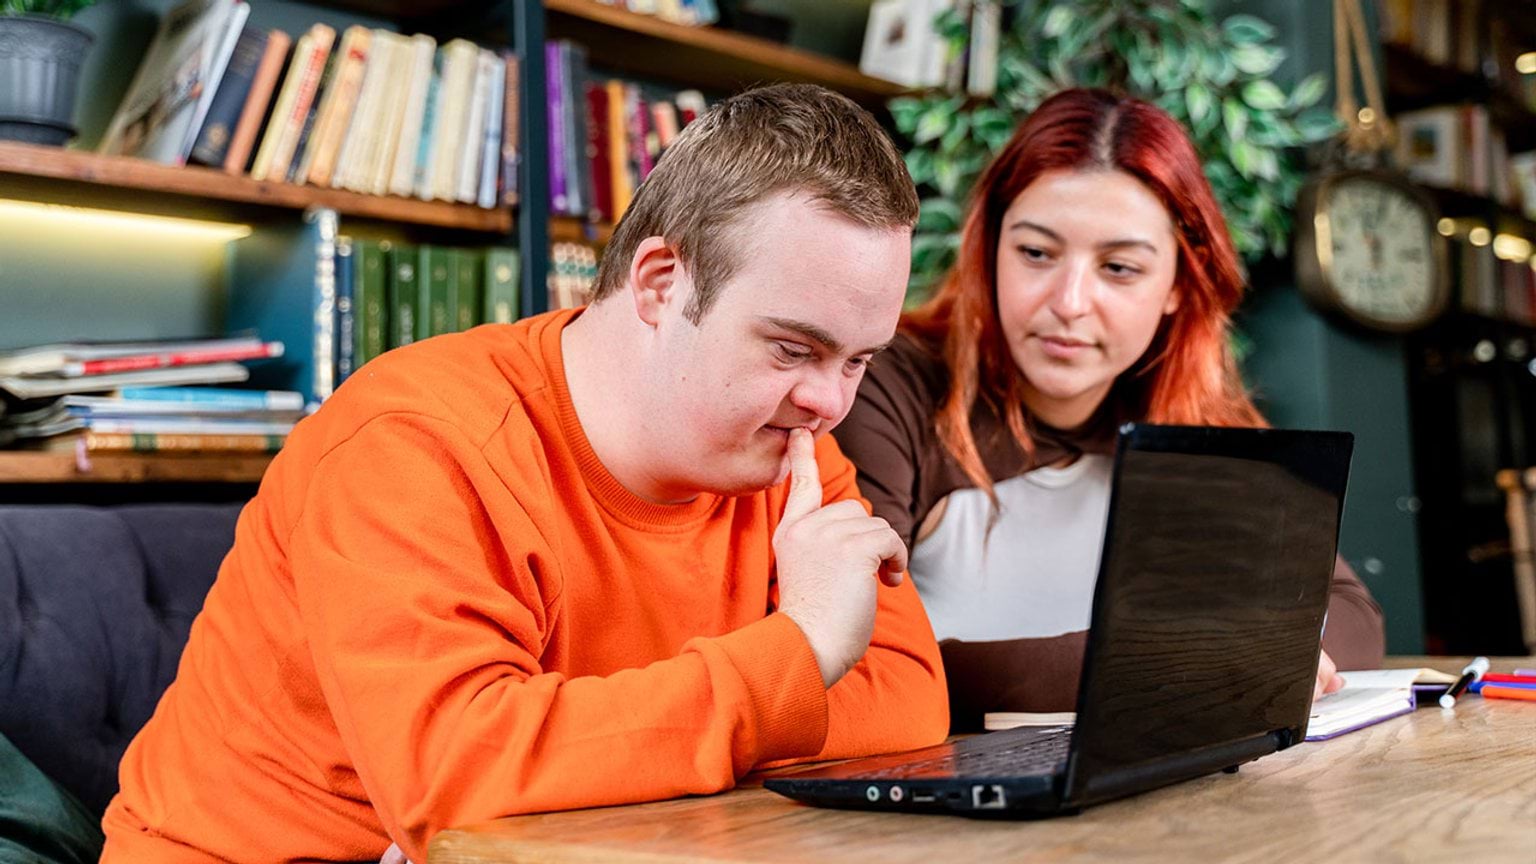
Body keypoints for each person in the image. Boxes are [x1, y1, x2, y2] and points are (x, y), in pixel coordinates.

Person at [101, 84, 948, 863]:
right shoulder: (414, 441)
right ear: (661, 283)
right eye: (793, 348)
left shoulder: (788, 446)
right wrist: (799, 653)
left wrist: (571, 757)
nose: (830, 402)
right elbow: (457, 782)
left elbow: (908, 700)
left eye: (858, 361)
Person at [833, 88, 1385, 731]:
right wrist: (1168, 660)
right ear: (989, 250)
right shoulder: (886, 384)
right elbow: (867, 654)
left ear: (1178, 284)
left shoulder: (1187, 411)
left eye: (1119, 268)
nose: (1069, 302)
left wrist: (1246, 652)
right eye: (1036, 254)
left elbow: (1351, 613)